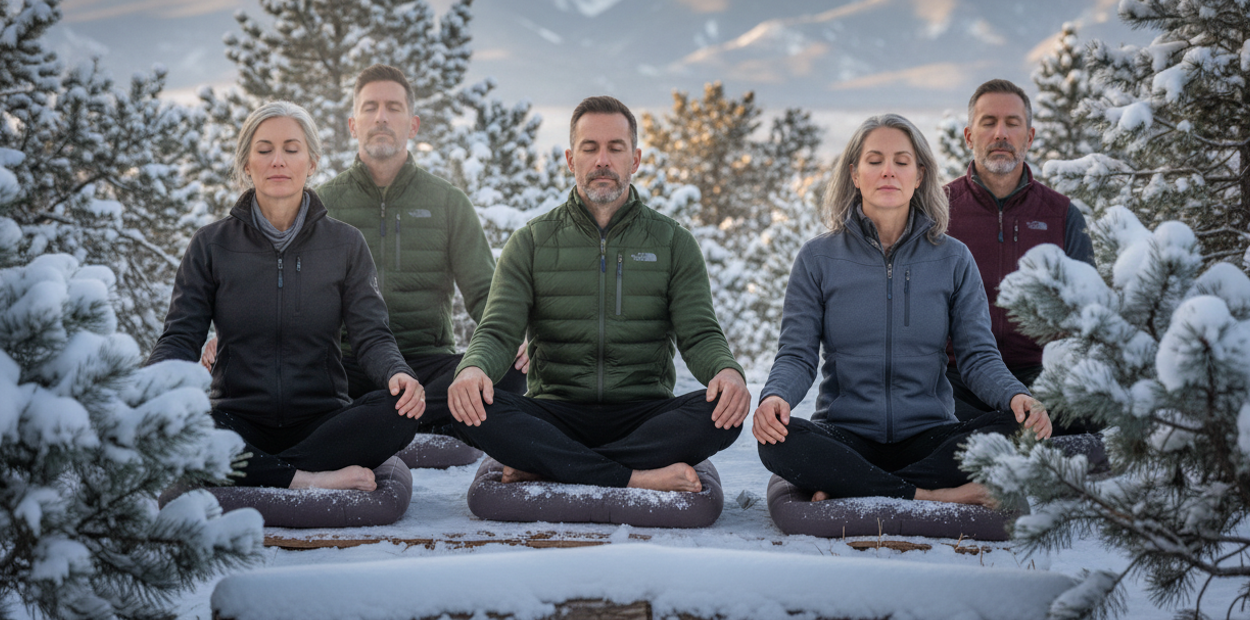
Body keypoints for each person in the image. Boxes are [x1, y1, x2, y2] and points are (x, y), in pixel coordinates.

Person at [446, 96, 751, 492]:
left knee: (720, 413)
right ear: (571, 160)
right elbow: (498, 332)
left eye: (615, 148)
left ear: (635, 159)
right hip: (555, 412)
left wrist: (726, 372)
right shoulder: (532, 242)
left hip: (645, 413)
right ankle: (637, 476)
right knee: (470, 409)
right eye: (590, 148)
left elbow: (700, 334)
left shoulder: (674, 242)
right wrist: (473, 370)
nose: (602, 160)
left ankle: (553, 463)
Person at [754, 113, 1049, 507]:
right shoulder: (817, 258)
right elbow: (796, 355)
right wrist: (776, 398)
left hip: (930, 436)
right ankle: (932, 494)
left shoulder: (953, 258)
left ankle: (854, 485)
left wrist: (1016, 396)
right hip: (845, 434)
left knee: (1018, 429)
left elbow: (978, 357)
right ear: (855, 175)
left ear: (920, 175)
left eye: (901, 161)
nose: (888, 172)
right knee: (778, 443)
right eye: (874, 161)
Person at [147, 101, 425, 490]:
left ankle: (260, 472)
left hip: (323, 421)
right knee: (173, 424)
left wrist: (398, 374)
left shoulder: (345, 243)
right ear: (247, 163)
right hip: (236, 419)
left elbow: (372, 335)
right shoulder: (211, 245)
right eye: (264, 150)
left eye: (291, 149)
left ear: (311, 162)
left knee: (400, 411)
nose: (278, 160)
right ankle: (306, 478)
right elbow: (180, 336)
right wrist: (152, 388)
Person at [316, 64, 526, 427]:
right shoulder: (322, 204)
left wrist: (517, 340)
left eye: (393, 108)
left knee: (512, 370)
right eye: (370, 108)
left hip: (429, 364)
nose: (381, 117)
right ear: (353, 125)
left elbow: (484, 293)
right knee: (300, 380)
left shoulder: (447, 201)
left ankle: (378, 419)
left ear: (412, 124)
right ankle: (421, 418)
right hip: (349, 364)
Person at [945, 79, 1096, 429]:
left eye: (1012, 123)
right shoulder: (939, 212)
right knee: (934, 422)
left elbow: (1088, 310)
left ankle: (1008, 438)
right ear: (969, 136)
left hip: (1041, 375)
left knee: (1090, 416)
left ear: (1029, 137)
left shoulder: (1062, 215)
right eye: (989, 122)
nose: (1001, 133)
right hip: (957, 378)